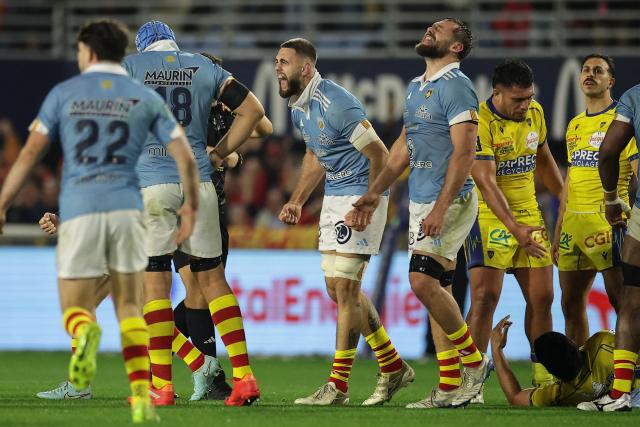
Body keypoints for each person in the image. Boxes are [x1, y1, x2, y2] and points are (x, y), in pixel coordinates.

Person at [0, 19, 199, 422]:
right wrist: (191, 203)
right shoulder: (143, 96)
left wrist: (3, 204)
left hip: (84, 209)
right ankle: (163, 381)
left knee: (80, 307)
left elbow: (29, 154)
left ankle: (81, 382)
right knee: (135, 305)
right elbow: (183, 153)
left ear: (89, 52)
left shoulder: (66, 93)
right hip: (130, 209)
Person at [347, 18, 489, 408]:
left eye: (439, 30)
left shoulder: (458, 88)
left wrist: (442, 207)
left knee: (421, 281)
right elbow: (401, 151)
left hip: (451, 200)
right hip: (422, 200)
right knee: (436, 289)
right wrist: (375, 193)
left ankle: (474, 365)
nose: (429, 30)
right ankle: (449, 386)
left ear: (456, 47)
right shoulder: (415, 88)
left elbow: (464, 154)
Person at [123, 20, 265, 406]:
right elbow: (255, 112)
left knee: (154, 286)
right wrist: (219, 151)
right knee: (213, 282)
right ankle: (244, 378)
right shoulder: (205, 67)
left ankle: (162, 388)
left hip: (152, 186)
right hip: (199, 184)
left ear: (143, 45)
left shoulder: (131, 68)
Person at [276, 38, 414, 406]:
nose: (277, 67)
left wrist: (368, 202)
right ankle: (393, 365)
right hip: (335, 198)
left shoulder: (335, 102)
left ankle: (338, 386)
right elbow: (316, 154)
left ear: (305, 68)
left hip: (361, 196)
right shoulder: (298, 108)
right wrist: (297, 199)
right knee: (336, 290)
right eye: (276, 61)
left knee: (347, 291)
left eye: (284, 61)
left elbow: (380, 156)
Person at [171, 51, 273, 401]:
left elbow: (265, 127)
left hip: (213, 211)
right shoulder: (190, 114)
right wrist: (219, 151)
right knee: (198, 290)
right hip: (187, 205)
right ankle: (212, 379)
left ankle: (177, 348)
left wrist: (226, 143)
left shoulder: (223, 114)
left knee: (202, 293)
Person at [464, 59, 563, 391]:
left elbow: (544, 159)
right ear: (497, 94)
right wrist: (514, 228)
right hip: (489, 215)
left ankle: (543, 372)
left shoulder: (535, 113)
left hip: (529, 214)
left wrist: (564, 198)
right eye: (518, 99)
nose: (526, 105)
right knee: (484, 297)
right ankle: (471, 379)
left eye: (529, 97)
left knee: (543, 297)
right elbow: (486, 181)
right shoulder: (481, 122)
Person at [552, 54, 638, 346]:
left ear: (611, 81)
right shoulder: (575, 124)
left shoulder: (623, 120)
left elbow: (636, 173)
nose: (590, 74)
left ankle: (631, 378)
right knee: (570, 305)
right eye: (586, 70)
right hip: (573, 227)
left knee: (623, 304)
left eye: (598, 71)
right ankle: (583, 378)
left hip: (608, 223)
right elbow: (571, 178)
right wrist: (558, 228)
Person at [579, 69, 640, 412]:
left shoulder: (634, 96)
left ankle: (620, 393)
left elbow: (607, 152)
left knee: (632, 300)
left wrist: (611, 198)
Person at [490, 316, 640, 407]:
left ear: (551, 372)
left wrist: (497, 350)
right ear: (573, 343)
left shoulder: (562, 393)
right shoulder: (601, 342)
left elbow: (515, 397)